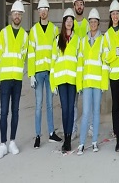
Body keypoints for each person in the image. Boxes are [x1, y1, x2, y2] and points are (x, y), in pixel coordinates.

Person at [0, 0, 28, 159]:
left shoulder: (24, 35)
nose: (17, 16)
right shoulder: (4, 33)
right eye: (15, 13)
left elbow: (24, 55)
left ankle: (12, 141)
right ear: (11, 15)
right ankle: (2, 144)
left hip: (17, 79)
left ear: (21, 17)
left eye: (20, 14)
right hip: (6, 79)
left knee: (15, 111)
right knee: (3, 112)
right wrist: (2, 73)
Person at [28, 0, 62, 148]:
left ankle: (51, 134)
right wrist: (31, 75)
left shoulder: (55, 30)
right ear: (38, 12)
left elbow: (58, 52)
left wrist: (56, 74)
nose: (43, 12)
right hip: (38, 74)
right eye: (41, 10)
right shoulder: (34, 31)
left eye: (45, 10)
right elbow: (31, 53)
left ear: (48, 11)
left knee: (49, 104)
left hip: (50, 73)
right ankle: (37, 136)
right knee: (38, 105)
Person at [76, 8, 108, 155]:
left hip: (97, 84)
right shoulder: (83, 42)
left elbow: (105, 63)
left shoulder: (103, 40)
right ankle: (82, 143)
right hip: (87, 83)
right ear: (89, 24)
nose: (93, 24)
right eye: (91, 22)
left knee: (96, 112)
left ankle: (94, 141)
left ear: (98, 24)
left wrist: (103, 84)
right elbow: (79, 64)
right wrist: (79, 84)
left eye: (95, 22)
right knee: (86, 112)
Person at [102, 0, 119, 154]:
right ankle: (118, 139)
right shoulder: (107, 36)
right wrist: (115, 53)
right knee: (115, 108)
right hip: (114, 75)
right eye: (113, 13)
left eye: (117, 13)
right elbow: (105, 56)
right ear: (110, 15)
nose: (115, 16)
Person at [51, 8, 80, 153]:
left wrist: (79, 82)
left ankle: (68, 138)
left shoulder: (77, 40)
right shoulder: (57, 39)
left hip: (73, 80)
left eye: (71, 20)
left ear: (73, 23)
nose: (69, 23)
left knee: (71, 109)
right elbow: (53, 62)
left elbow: (79, 62)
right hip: (62, 80)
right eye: (67, 20)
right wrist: (53, 83)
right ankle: (67, 139)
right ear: (64, 22)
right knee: (65, 109)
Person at [72, 0, 89, 140]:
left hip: (85, 68)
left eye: (81, 4)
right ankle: (73, 129)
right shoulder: (69, 23)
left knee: (87, 100)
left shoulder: (88, 24)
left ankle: (88, 126)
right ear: (74, 6)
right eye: (77, 3)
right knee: (74, 102)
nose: (79, 6)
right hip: (72, 68)